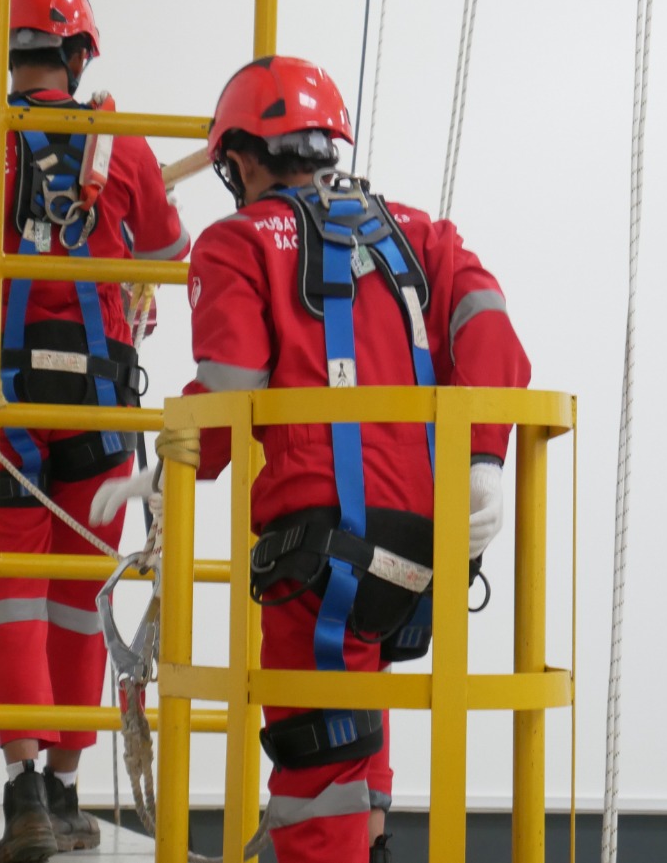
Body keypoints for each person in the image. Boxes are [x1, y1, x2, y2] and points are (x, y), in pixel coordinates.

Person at [92, 56, 530, 863]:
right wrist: (486, 460)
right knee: (360, 713)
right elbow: (491, 327)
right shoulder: (419, 233)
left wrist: (176, 465)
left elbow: (232, 385)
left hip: (320, 548)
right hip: (425, 544)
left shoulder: (237, 242)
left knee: (317, 756)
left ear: (241, 159)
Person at [0, 0, 188, 863]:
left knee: (12, 585)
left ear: (7, 51)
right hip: (100, 405)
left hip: (2, 405)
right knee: (83, 596)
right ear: (80, 55)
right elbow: (169, 257)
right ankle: (63, 786)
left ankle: (24, 795)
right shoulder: (123, 144)